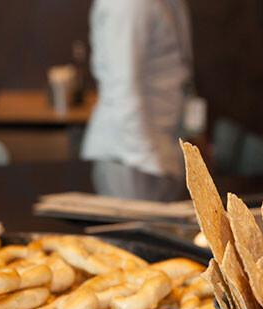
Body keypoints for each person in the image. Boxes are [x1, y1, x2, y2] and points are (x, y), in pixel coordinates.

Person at [81, 0, 193, 202]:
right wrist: (150, 163)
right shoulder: (130, 3)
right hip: (132, 156)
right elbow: (124, 89)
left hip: (160, 150)